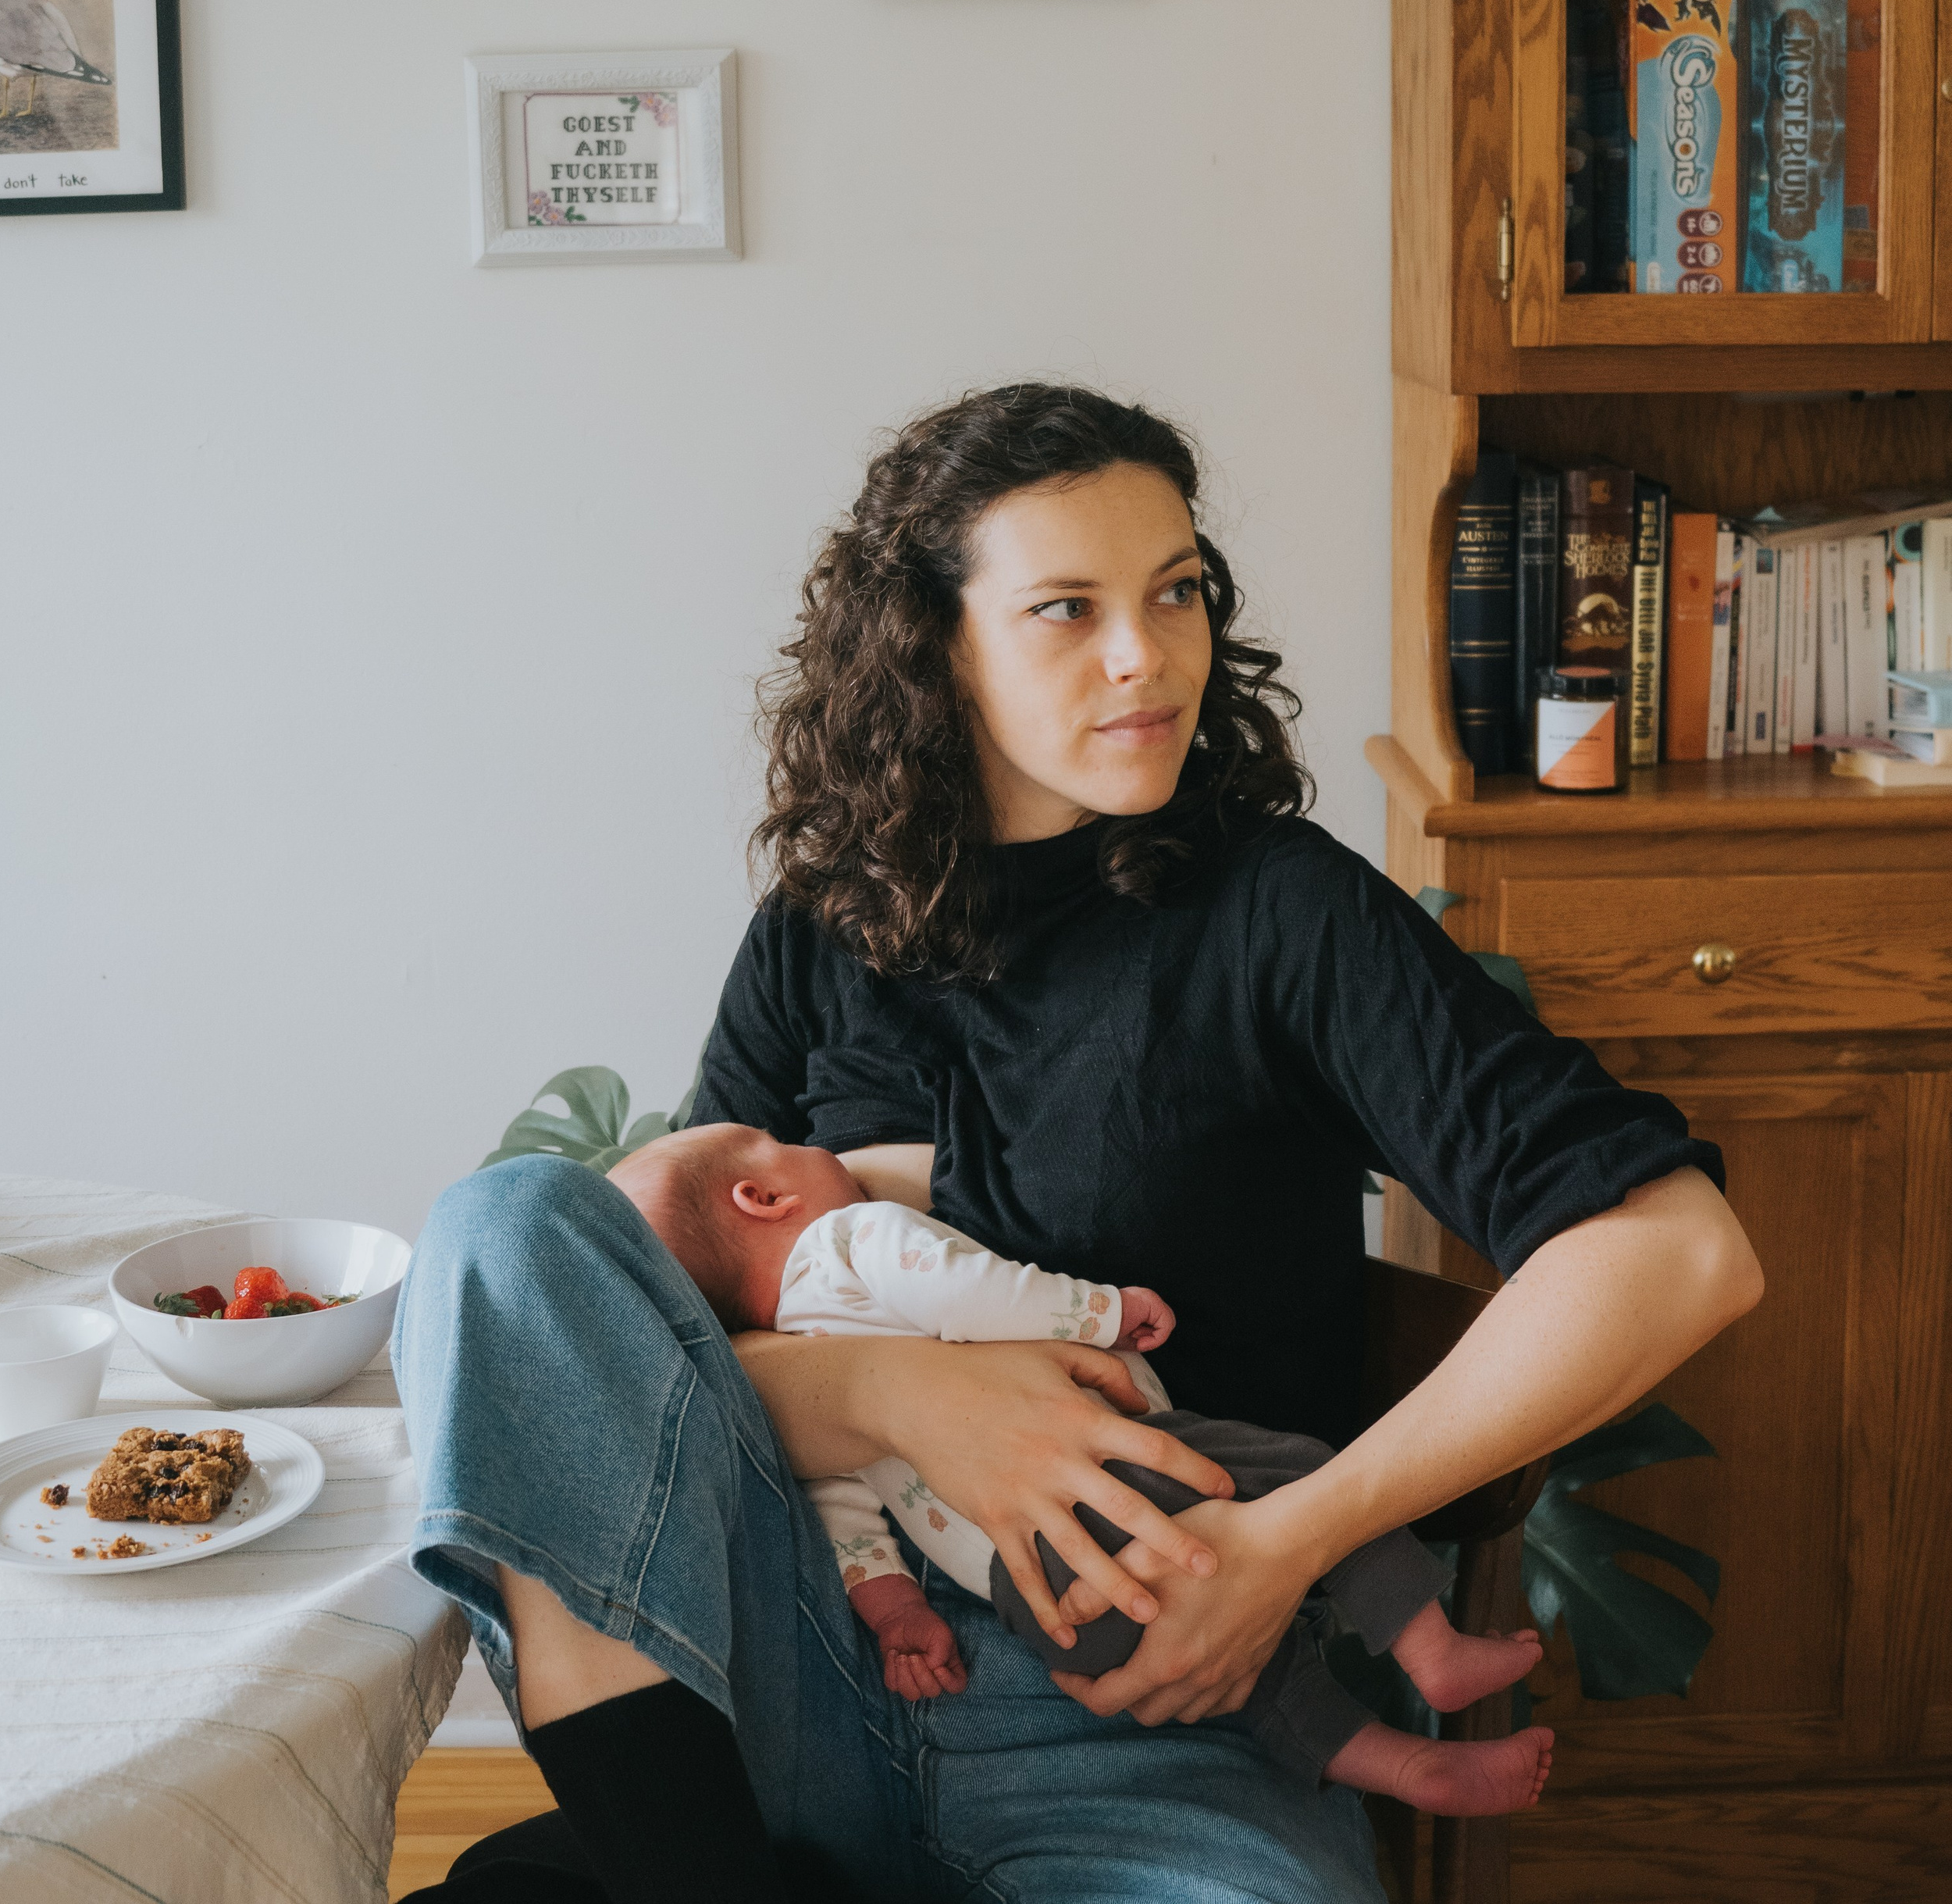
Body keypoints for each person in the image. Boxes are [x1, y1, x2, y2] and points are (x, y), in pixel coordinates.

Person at [394, 383, 1763, 1904]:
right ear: (937, 643)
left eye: (1175, 589)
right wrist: (897, 1387)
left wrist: (1282, 1546)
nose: (1146, 652)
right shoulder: (817, 922)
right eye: (1066, 606)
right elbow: (640, 1351)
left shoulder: (1282, 914)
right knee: (508, 1223)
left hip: (1165, 1710)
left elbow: (1678, 1251)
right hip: (810, 1658)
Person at [615, 1120, 1553, 1815]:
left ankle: (1401, 1764)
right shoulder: (850, 1239)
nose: (815, 1143)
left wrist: (898, 1612)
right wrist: (1102, 1310)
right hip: (1124, 1472)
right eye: (780, 1140)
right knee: (1300, 1473)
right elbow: (970, 1288)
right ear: (763, 1197)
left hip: (1034, 1599)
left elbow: (843, 1513)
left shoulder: (793, 1363)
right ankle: (1431, 1652)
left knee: (1244, 1675)